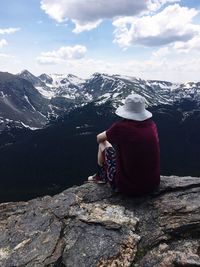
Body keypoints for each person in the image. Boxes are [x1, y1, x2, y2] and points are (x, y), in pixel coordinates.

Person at [88, 94, 160, 196]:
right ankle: (103, 175)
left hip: (127, 188)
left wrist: (110, 131)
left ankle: (102, 176)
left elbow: (99, 138)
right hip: (153, 184)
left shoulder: (121, 127)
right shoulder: (152, 125)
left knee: (103, 143)